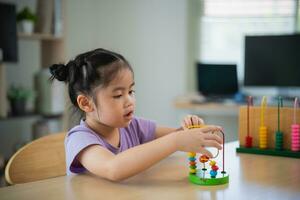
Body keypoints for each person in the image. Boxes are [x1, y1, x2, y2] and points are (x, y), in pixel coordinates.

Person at [49, 48, 223, 181]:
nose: (129, 101)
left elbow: (176, 136)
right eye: (118, 95)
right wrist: (176, 141)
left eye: (131, 91)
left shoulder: (133, 126)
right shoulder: (79, 139)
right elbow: (113, 168)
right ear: (86, 103)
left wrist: (192, 130)